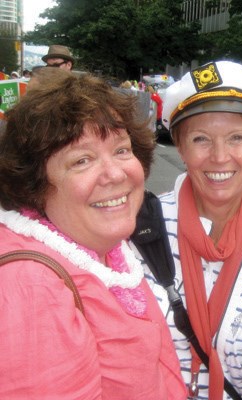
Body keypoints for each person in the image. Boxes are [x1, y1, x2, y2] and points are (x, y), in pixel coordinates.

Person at [0, 72, 187, 399]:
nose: (115, 174)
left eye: (121, 150)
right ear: (35, 183)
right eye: (82, 160)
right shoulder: (31, 289)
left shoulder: (101, 243)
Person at [138, 60, 242, 399]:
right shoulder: (138, 230)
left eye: (237, 138)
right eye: (201, 139)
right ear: (180, 147)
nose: (219, 156)